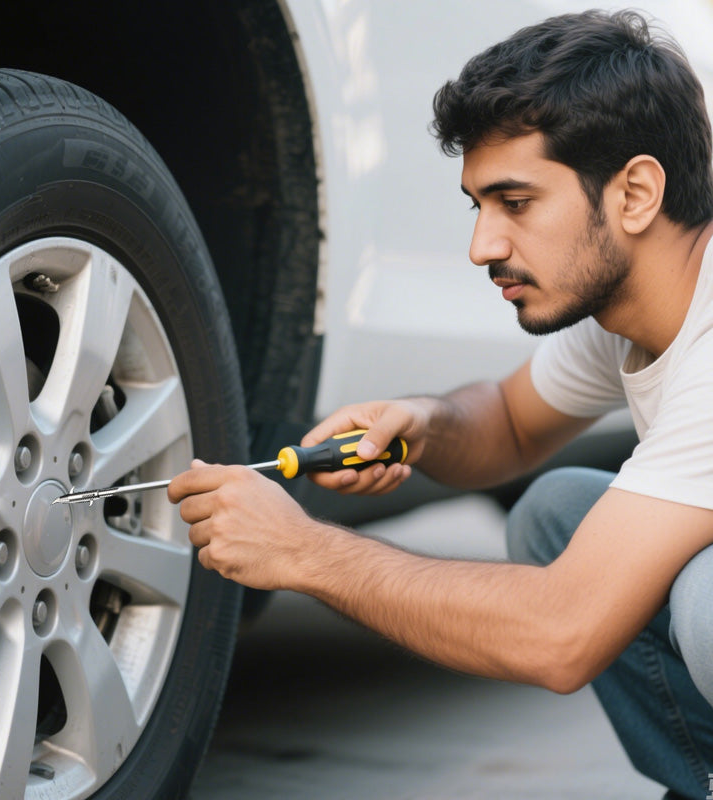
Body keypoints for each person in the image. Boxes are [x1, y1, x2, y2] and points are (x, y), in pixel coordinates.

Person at [168, 10, 713, 798]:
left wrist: (303, 551)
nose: (482, 247)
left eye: (515, 203)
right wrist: (419, 426)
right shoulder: (636, 304)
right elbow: (510, 423)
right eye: (477, 207)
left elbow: (562, 635)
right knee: (555, 511)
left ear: (634, 192)